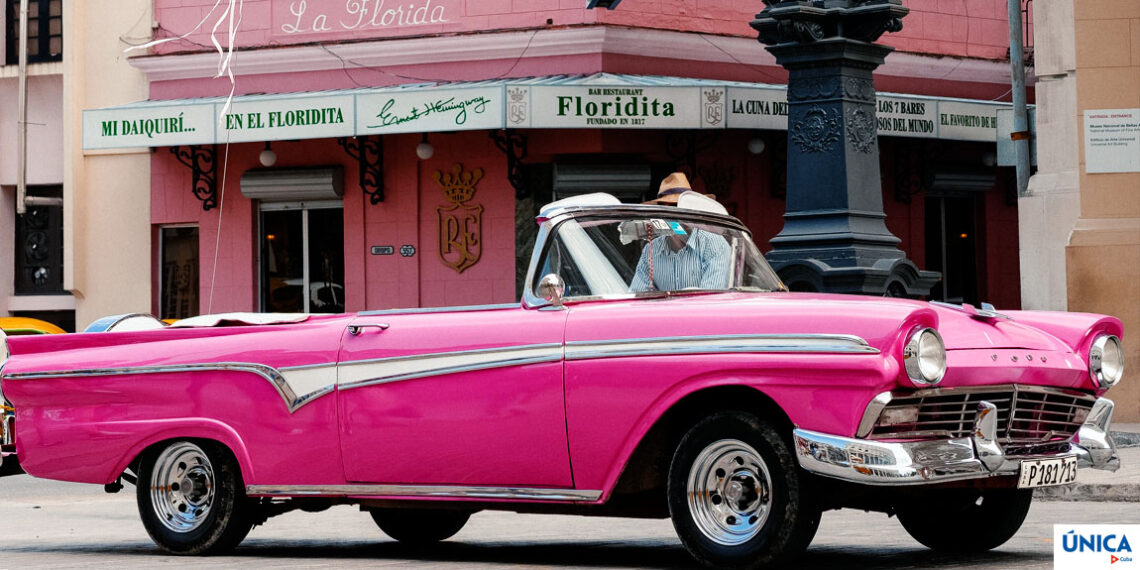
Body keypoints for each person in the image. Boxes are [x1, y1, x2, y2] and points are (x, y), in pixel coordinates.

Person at [629, 172, 731, 292]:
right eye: (669, 209)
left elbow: (709, 300)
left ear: (693, 210)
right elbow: (639, 296)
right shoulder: (651, 250)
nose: (676, 216)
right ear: (661, 214)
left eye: (681, 208)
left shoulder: (714, 244)